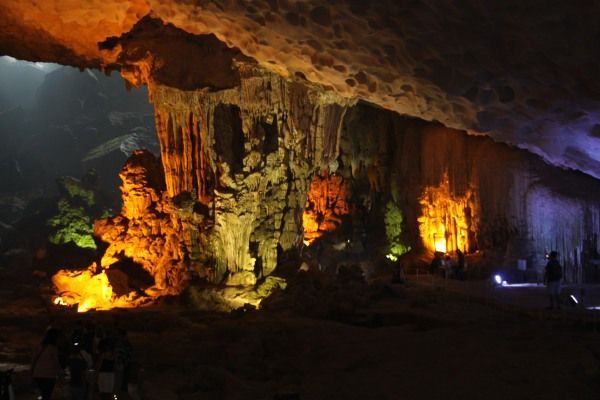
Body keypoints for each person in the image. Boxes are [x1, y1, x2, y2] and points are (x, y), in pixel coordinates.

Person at [31, 328, 64, 400]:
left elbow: (33, 359)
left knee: (40, 396)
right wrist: (61, 373)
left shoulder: (40, 346)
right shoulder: (53, 348)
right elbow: (56, 363)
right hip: (49, 376)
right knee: (46, 396)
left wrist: (32, 372)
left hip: (37, 374)